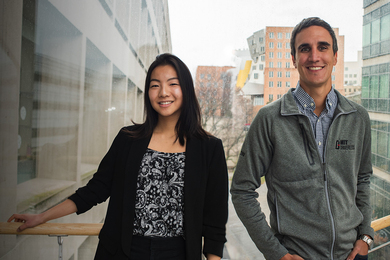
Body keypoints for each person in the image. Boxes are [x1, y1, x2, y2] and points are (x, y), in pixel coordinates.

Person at [8, 53, 229, 260]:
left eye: (173, 83)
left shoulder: (209, 148)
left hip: (178, 253)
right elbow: (95, 189)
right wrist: (41, 217)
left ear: (186, 90)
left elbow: (215, 219)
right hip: (123, 251)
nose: (163, 92)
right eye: (155, 85)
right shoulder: (129, 139)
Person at [230, 17, 374, 260]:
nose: (314, 56)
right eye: (304, 49)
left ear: (335, 56)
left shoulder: (357, 117)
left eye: (323, 47)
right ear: (294, 59)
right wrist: (277, 253)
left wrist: (366, 237)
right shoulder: (270, 119)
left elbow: (363, 179)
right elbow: (242, 190)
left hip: (353, 255)